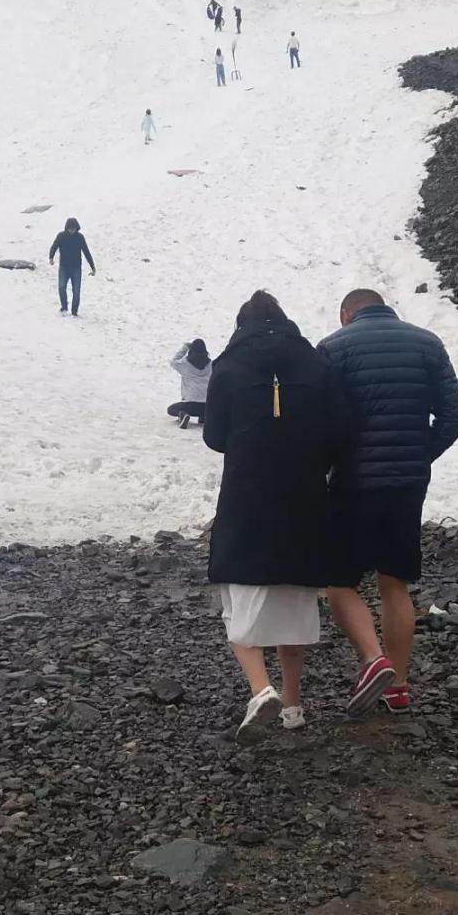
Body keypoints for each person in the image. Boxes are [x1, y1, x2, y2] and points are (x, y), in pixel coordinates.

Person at [204, 291, 349, 739]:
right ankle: (292, 704)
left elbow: (214, 435)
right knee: (294, 594)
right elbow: (341, 427)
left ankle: (259, 687)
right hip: (305, 490)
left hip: (247, 492)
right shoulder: (315, 363)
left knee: (238, 591)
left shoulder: (228, 366)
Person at [319, 288, 458, 715]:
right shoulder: (426, 343)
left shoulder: (332, 348)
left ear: (346, 314)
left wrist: (332, 463)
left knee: (339, 581)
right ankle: (398, 686)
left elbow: (322, 420)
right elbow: (455, 415)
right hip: (407, 483)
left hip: (353, 482)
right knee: (394, 581)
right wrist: (420, 454)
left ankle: (374, 659)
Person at [48, 216, 96, 316]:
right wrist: (51, 257)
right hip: (64, 267)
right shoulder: (61, 236)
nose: (72, 230)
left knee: (76, 291)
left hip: (76, 268)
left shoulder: (80, 237)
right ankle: (64, 307)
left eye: (73, 228)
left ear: (76, 228)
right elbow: (54, 246)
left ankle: (74, 311)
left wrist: (92, 267)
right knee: (61, 287)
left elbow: (86, 252)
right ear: (67, 228)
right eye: (70, 228)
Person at [167, 339, 211, 428]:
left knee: (171, 409)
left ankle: (183, 414)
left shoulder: (185, 364)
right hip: (207, 405)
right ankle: (203, 418)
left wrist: (185, 347)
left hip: (190, 405)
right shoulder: (211, 365)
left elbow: (173, 361)